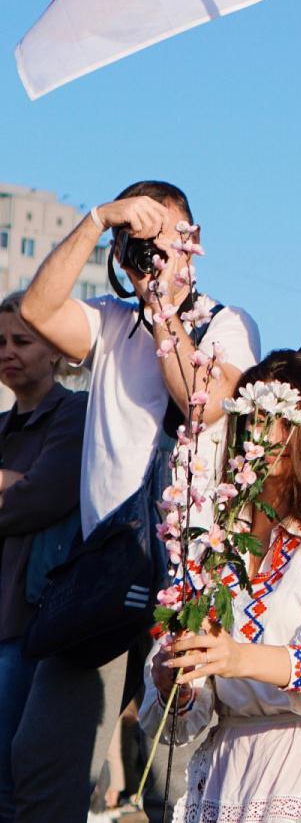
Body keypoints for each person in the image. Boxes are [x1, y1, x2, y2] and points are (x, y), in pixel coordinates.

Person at [11, 180, 260, 821]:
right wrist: (100, 219)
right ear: (122, 258)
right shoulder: (109, 320)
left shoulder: (226, 323)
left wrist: (163, 314)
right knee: (42, 760)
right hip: (103, 568)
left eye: (167, 240)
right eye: (138, 245)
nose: (154, 257)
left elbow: (200, 405)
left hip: (185, 576)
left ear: (194, 243)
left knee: (173, 780)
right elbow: (37, 311)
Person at [141, 350, 301, 820]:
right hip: (230, 767)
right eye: (253, 414)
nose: (264, 431)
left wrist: (239, 658)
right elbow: (183, 717)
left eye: (281, 415)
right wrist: (174, 685)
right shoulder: (216, 547)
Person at [0, 293, 87, 822]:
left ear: (55, 351)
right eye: (0, 342)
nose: (8, 352)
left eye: (22, 340)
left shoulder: (75, 414)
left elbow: (43, 498)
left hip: (32, 622)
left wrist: (21, 491)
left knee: (19, 780)